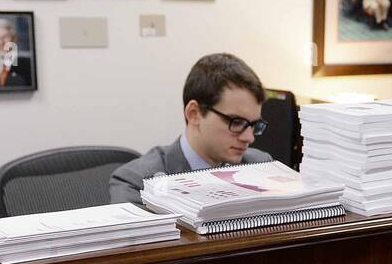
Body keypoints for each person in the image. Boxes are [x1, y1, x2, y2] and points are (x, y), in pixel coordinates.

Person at [108, 53, 271, 205]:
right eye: (236, 122)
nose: (249, 138)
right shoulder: (137, 183)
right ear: (194, 114)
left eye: (254, 125)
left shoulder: (260, 167)